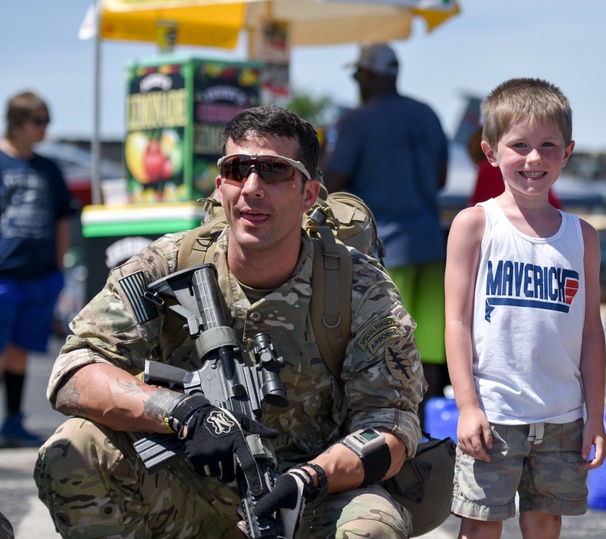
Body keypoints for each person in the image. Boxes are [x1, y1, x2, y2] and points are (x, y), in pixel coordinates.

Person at [35, 105, 427, 538]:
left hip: (309, 498)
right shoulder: (166, 264)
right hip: (186, 489)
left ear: (308, 194)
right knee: (73, 448)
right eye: (238, 169)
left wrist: (308, 479)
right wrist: (183, 412)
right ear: (221, 185)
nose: (252, 188)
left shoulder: (358, 287)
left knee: (372, 527)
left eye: (276, 171)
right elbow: (75, 370)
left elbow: (391, 426)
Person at [445, 78, 606, 539]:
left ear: (568, 151)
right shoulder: (474, 224)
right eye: (519, 145)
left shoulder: (583, 236)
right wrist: (467, 406)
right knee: (480, 526)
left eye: (548, 145)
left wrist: (594, 416)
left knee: (544, 524)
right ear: (490, 151)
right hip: (493, 413)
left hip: (562, 417)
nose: (533, 158)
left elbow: (592, 333)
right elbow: (455, 322)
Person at [325, 43, 450, 413]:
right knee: (426, 347)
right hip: (430, 243)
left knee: (384, 343)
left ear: (367, 75)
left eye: (357, 74)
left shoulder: (357, 121)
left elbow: (333, 182)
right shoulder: (427, 113)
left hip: (383, 250)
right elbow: (441, 178)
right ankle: (425, 432)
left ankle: (392, 428)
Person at [0, 90, 77, 448]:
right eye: (39, 121)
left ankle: (13, 422)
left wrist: (59, 272)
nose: (45, 128)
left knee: (19, 350)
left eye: (47, 121)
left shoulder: (48, 168)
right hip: (4, 276)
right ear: (17, 122)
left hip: (41, 276)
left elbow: (62, 219)